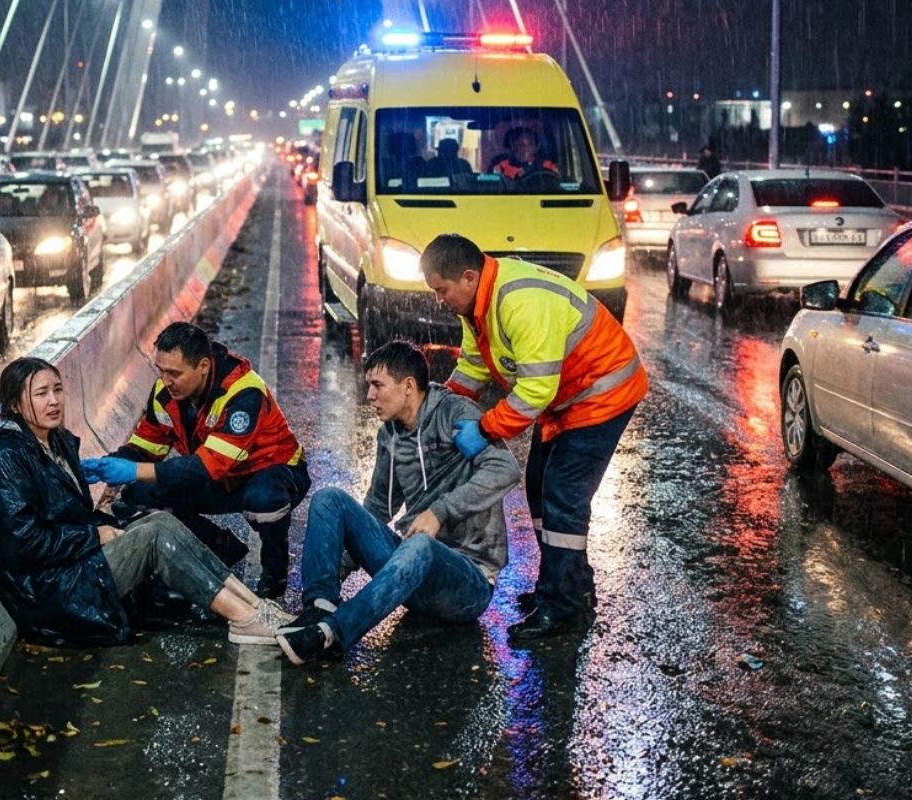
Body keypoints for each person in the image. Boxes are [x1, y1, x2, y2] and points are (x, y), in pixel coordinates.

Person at [0, 357, 293, 648]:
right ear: (14, 404)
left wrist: (104, 522)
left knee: (160, 522)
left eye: (58, 389)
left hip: (72, 565)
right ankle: (241, 618)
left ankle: (253, 607)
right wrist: (96, 535)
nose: (54, 401)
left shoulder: (54, 441)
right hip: (51, 590)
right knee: (153, 538)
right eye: (41, 394)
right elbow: (22, 544)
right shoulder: (4, 458)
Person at [421, 234, 648, 641]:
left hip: (602, 395)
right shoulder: (478, 305)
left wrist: (484, 429)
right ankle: (567, 587)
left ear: (468, 277)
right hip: (568, 400)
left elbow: (534, 392)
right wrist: (440, 406)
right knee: (540, 489)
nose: (440, 299)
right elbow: (474, 366)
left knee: (562, 496)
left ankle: (561, 609)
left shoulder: (519, 300)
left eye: (442, 290)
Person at [275, 340, 520, 665]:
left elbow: (506, 469)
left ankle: (332, 634)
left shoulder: (454, 412)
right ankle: (319, 609)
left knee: (420, 545)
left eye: (377, 386)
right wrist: (339, 566)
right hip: (413, 572)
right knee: (329, 499)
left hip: (468, 582)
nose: (370, 396)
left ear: (408, 386)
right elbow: (377, 509)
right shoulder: (389, 434)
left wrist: (440, 511)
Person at [81, 322, 309, 599]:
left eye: (174, 373)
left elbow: (208, 465)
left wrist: (133, 469)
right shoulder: (165, 394)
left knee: (265, 500)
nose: (165, 380)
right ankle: (218, 549)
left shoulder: (243, 392)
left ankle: (275, 573)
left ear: (202, 366)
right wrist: (110, 463)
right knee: (138, 495)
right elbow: (146, 446)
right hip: (217, 476)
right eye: (160, 371)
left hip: (269, 472)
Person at [489, 127, 558, 180]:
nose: (526, 149)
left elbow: (557, 184)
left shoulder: (548, 166)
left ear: (536, 147)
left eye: (530, 144)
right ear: (513, 146)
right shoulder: (501, 168)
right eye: (521, 145)